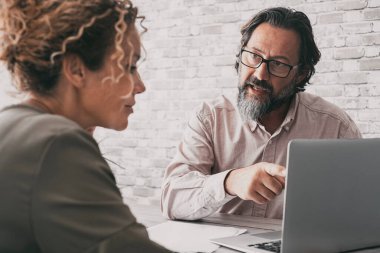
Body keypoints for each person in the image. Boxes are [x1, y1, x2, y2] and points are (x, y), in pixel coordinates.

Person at [0, 0, 170, 252]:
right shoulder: (57, 144)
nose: (140, 85)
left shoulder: (13, 124)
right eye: (129, 66)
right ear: (76, 69)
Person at [161, 7, 362, 221]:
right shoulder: (210, 117)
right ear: (240, 55)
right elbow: (173, 201)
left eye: (278, 64)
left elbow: (363, 206)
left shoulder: (336, 127)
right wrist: (230, 182)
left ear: (300, 74)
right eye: (253, 56)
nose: (259, 74)